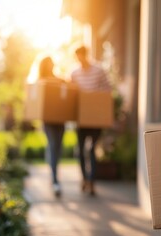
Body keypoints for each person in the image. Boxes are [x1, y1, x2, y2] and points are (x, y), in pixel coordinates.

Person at [71, 46, 111, 196]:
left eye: (81, 56)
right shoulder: (74, 73)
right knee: (81, 150)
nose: (79, 59)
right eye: (77, 57)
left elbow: (107, 91)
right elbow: (72, 95)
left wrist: (95, 100)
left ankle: (92, 181)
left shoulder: (98, 71)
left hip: (95, 118)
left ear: (86, 55)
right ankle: (84, 179)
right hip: (80, 119)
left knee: (91, 149)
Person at [37, 56, 65, 197]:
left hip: (60, 119)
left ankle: (54, 173)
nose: (52, 65)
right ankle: (55, 179)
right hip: (48, 120)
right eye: (50, 63)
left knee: (58, 148)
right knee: (53, 146)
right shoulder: (41, 80)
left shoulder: (59, 80)